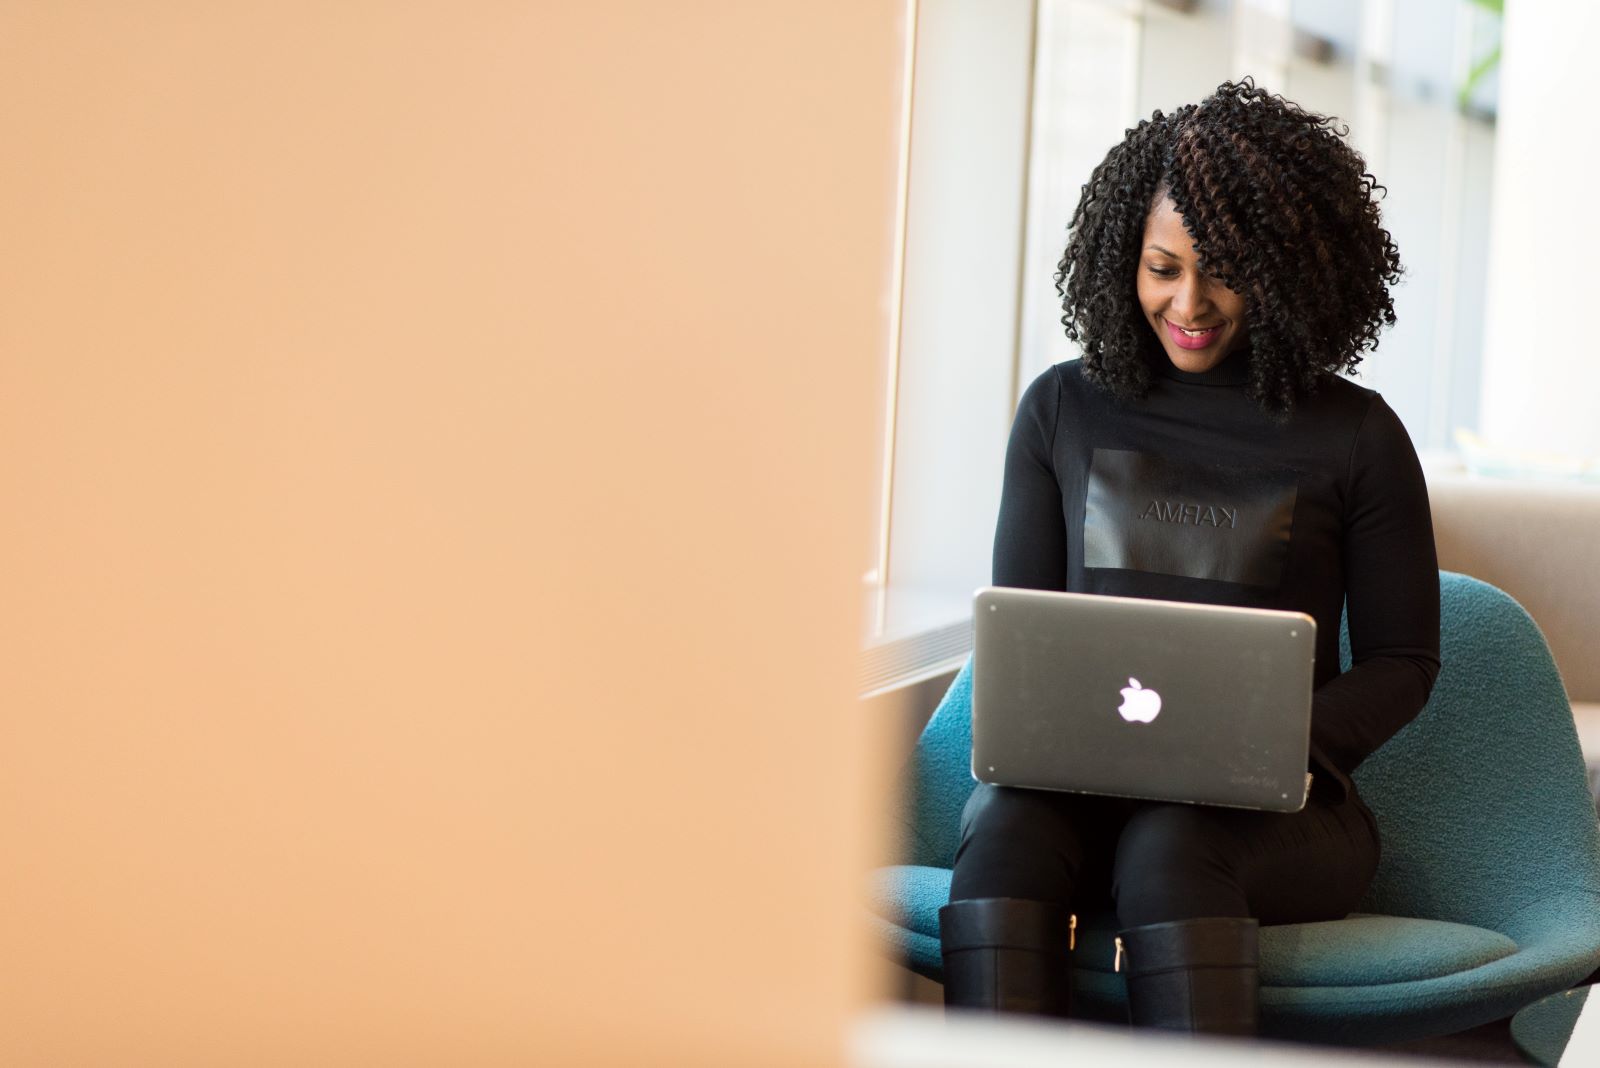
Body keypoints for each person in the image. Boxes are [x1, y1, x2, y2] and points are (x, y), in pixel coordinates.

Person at [938, 78, 1441, 1036]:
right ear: (1122, 257)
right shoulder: (1060, 409)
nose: (1191, 303)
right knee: (1004, 834)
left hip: (1277, 815)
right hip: (1074, 794)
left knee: (1170, 843)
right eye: (1162, 267)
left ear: (1289, 270)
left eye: (1224, 271)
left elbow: (1403, 665)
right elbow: (1025, 636)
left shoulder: (1359, 436)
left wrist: (1261, 749)